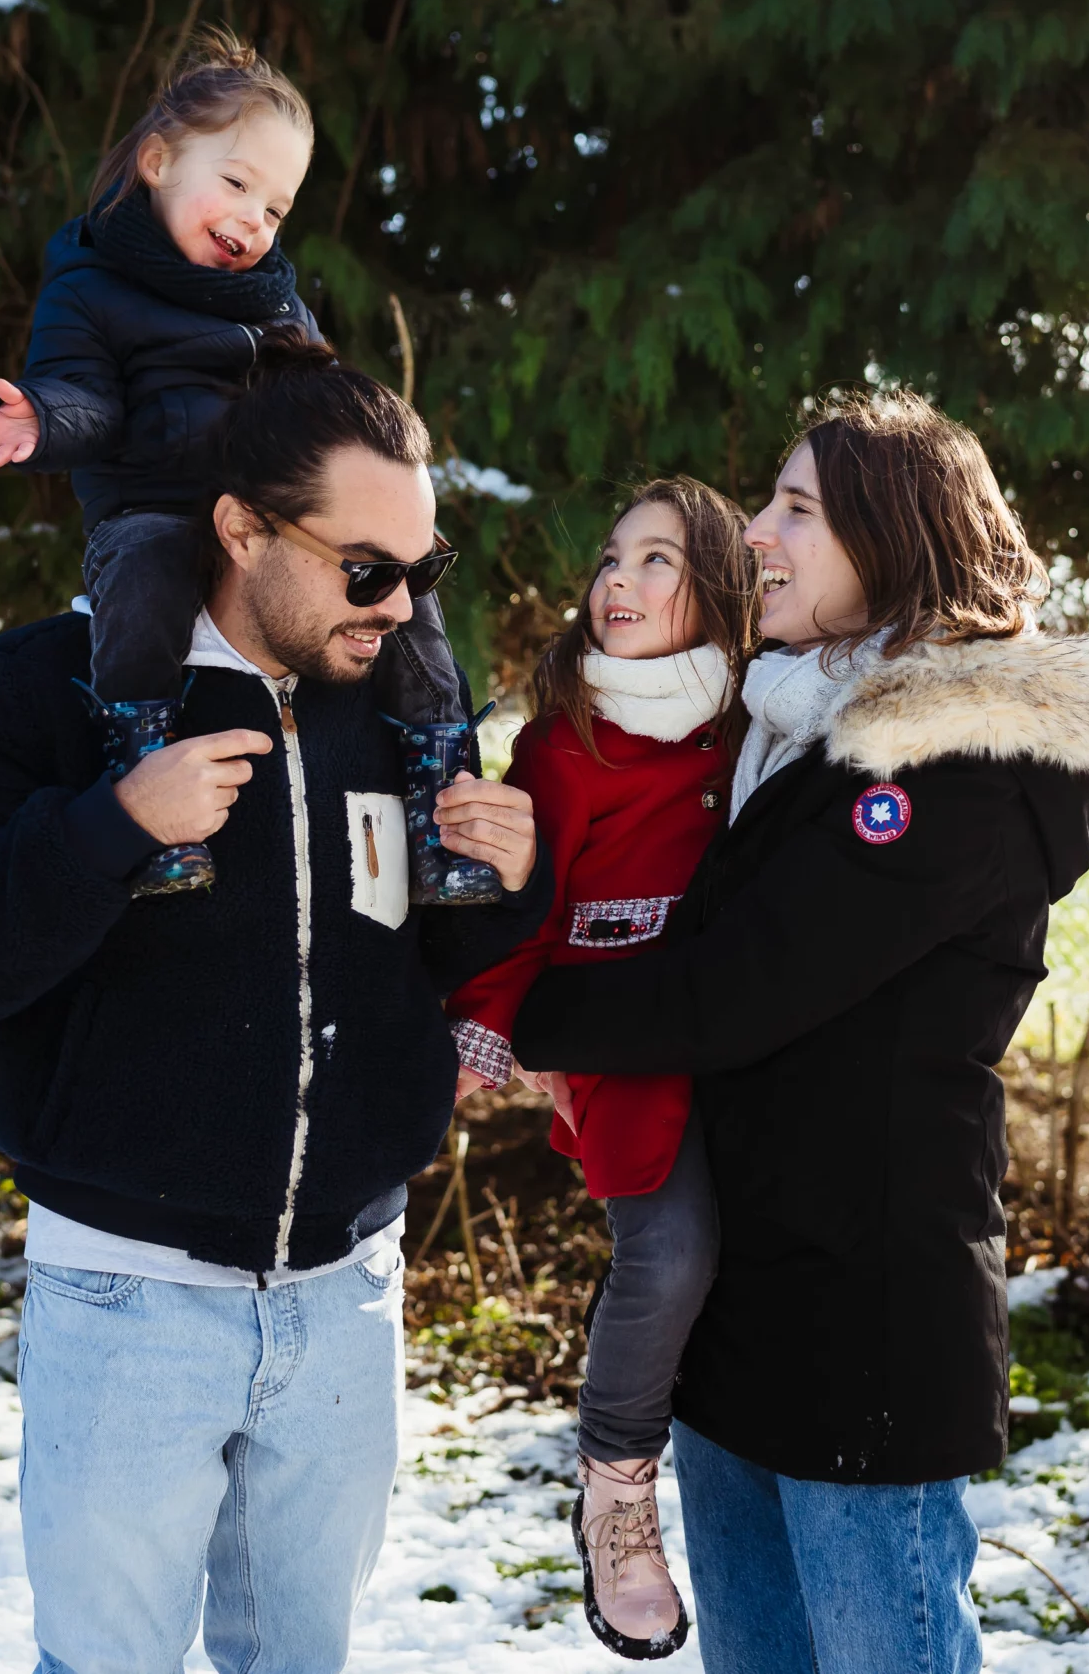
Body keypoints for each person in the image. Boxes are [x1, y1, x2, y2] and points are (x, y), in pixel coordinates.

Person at [0, 339, 547, 1674]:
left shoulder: (404, 712)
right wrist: (111, 826)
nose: (402, 608)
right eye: (368, 569)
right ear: (240, 528)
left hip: (347, 1293)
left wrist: (515, 886)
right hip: (126, 1298)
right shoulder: (55, 691)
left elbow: (445, 964)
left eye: (425, 569)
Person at [512, 390, 1089, 1674]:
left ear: (896, 536)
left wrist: (524, 1015)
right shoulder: (791, 731)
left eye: (797, 510)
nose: (754, 534)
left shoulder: (951, 772)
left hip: (861, 1327)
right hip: (746, 1313)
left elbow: (736, 987)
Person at [0, 30, 471, 901]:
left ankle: (439, 784)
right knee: (148, 571)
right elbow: (88, 396)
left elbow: (318, 401)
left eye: (276, 209)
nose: (253, 221)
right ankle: (143, 762)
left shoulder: (274, 301)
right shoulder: (90, 285)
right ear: (157, 161)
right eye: (236, 184)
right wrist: (46, 416)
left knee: (401, 579)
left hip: (270, 519)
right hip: (151, 508)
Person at [441, 477, 755, 1660]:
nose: (616, 581)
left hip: (735, 1036)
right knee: (667, 1249)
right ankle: (617, 1493)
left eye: (658, 561)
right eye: (611, 559)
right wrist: (502, 1029)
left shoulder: (756, 734)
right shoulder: (562, 746)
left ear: (720, 587)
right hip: (612, 1046)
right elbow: (518, 911)